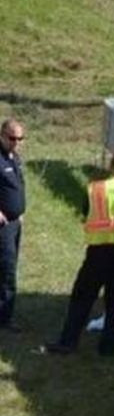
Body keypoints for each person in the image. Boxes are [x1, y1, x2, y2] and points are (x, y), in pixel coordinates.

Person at [47, 150, 114, 356]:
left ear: (111, 165)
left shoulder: (95, 189)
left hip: (98, 251)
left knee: (82, 297)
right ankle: (108, 347)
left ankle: (69, 341)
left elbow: (85, 212)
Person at [0, 119, 26, 331]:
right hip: (3, 225)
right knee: (6, 270)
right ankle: (4, 319)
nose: (16, 142)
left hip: (15, 222)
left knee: (10, 265)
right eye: (12, 138)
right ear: (2, 136)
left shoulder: (14, 158)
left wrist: (20, 212)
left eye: (20, 138)